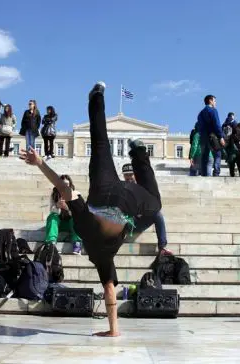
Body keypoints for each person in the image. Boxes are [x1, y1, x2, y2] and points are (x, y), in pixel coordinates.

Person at [20, 82, 162, 337]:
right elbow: (65, 189)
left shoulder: (102, 256)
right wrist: (41, 163)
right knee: (100, 144)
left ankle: (139, 151)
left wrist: (114, 331)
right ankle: (97, 97)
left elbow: (109, 290)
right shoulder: (86, 232)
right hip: (104, 189)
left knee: (155, 203)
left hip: (127, 198)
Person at [122, 163, 171, 255]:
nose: (128, 177)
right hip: (127, 222)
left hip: (140, 221)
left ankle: (162, 247)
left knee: (157, 213)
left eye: (131, 175)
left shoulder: (144, 187)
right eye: (126, 175)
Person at [44, 174, 83, 254]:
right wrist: (57, 206)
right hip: (59, 224)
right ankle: (51, 244)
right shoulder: (55, 195)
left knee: (77, 218)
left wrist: (67, 209)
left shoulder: (76, 195)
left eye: (66, 184)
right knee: (52, 217)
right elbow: (51, 210)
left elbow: (80, 213)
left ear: (70, 185)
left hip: (71, 224)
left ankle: (77, 244)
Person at [196, 95, 225, 177]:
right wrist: (221, 136)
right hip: (213, 136)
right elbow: (217, 124)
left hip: (203, 137)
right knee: (218, 154)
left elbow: (199, 126)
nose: (215, 103)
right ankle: (216, 173)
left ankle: (204, 175)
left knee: (204, 156)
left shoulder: (200, 113)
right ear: (210, 101)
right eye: (214, 101)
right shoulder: (213, 110)